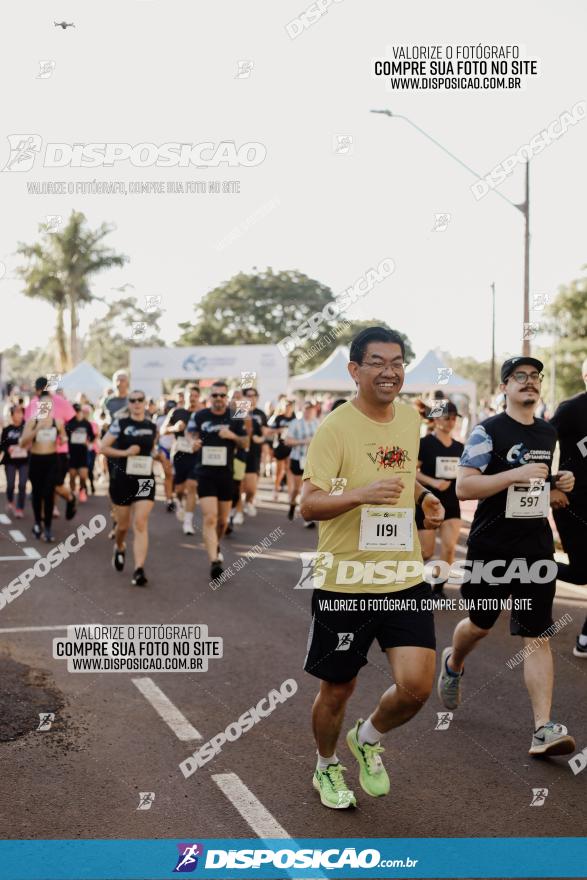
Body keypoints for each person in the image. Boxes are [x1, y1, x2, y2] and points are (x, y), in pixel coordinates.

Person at [300, 326, 444, 809]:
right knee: (338, 687)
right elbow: (309, 505)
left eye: (398, 362)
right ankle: (326, 766)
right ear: (354, 370)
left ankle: (368, 738)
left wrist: (424, 499)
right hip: (346, 582)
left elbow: (401, 480)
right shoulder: (335, 428)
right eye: (378, 362)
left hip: (402, 576)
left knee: (417, 686)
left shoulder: (408, 419)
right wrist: (360, 495)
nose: (391, 371)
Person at [438, 356, 577, 757]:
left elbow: (535, 487)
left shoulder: (548, 432)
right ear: (504, 387)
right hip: (491, 546)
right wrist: (515, 475)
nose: (529, 383)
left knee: (537, 635)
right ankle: (454, 662)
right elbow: (465, 488)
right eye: (520, 377)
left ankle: (542, 729)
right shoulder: (488, 431)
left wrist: (556, 483)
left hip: (535, 545)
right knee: (481, 624)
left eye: (535, 377)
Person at [188, 381, 248, 580]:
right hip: (204, 473)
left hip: (226, 474)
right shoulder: (199, 415)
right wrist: (192, 443)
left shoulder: (235, 416)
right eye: (215, 395)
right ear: (210, 397)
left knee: (222, 522)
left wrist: (232, 435)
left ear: (226, 397)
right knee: (210, 517)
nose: (219, 399)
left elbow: (245, 442)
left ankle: (216, 542)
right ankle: (214, 561)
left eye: (222, 395)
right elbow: (189, 436)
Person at [100, 390, 158, 587]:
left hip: (145, 480)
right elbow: (103, 447)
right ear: (129, 404)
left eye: (140, 400)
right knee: (123, 526)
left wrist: (158, 456)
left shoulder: (151, 426)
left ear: (145, 402)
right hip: (123, 480)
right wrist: (125, 452)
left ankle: (139, 569)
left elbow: (152, 449)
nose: (136, 403)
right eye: (132, 400)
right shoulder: (120, 424)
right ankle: (119, 546)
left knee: (140, 523)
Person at [549, 357, 587, 658]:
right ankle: (530, 567)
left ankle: (586, 635)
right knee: (581, 572)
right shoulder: (571, 409)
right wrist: (550, 485)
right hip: (572, 503)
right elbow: (540, 441)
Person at [416, 401, 464, 600]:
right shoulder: (424, 443)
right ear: (435, 419)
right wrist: (433, 482)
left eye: (454, 418)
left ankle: (437, 588)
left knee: (449, 549)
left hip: (452, 504)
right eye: (447, 417)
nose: (451, 421)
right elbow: (411, 472)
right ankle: (414, 585)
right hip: (427, 504)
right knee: (426, 552)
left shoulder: (460, 447)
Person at [20, 393, 76, 541]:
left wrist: (63, 439)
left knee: (49, 493)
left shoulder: (57, 422)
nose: (45, 408)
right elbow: (22, 442)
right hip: (36, 459)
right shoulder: (33, 421)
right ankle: (38, 523)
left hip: (52, 460)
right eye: (42, 405)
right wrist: (37, 428)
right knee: (37, 494)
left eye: (48, 406)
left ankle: (48, 528)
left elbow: (64, 438)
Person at [161, 385, 203, 534]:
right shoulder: (177, 412)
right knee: (179, 489)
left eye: (195, 395)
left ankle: (188, 522)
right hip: (180, 453)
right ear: (183, 397)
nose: (192, 398)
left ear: (199, 397)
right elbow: (162, 430)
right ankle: (178, 500)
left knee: (192, 486)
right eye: (189, 395)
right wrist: (174, 428)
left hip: (197, 455)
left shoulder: (202, 413)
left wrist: (200, 442)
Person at [285, 401, 320, 525]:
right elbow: (287, 441)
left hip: (313, 460)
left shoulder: (318, 423)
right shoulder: (295, 423)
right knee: (297, 488)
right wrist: (304, 441)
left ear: (314, 411)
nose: (309, 412)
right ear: (303, 410)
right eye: (307, 409)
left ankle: (307, 517)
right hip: (298, 458)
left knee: (310, 488)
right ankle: (292, 504)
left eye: (311, 409)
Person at [241, 387, 268, 517]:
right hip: (239, 452)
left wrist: (261, 438)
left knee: (251, 487)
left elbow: (265, 433)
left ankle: (248, 501)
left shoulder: (260, 414)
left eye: (253, 395)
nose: (251, 398)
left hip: (254, 453)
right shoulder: (238, 412)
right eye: (248, 395)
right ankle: (237, 511)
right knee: (238, 485)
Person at [1, 404, 29, 517]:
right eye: (16, 413)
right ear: (12, 415)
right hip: (10, 461)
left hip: (24, 460)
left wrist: (28, 447)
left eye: (21, 413)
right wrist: (8, 448)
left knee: (22, 485)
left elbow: (32, 441)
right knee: (11, 484)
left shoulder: (26, 429)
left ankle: (19, 508)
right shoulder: (7, 430)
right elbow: (2, 445)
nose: (19, 415)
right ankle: (10, 500)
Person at [65, 404, 95, 502]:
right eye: (75, 411)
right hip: (72, 453)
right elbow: (64, 436)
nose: (77, 413)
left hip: (83, 453)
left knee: (83, 476)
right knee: (72, 475)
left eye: (78, 411)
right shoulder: (69, 423)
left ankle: (82, 490)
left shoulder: (86, 424)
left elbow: (92, 436)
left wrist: (89, 442)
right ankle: (73, 493)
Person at [267, 399, 296, 501]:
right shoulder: (278, 418)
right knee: (280, 471)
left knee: (289, 470)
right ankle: (276, 489)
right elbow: (269, 431)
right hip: (279, 446)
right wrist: (279, 430)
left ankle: (290, 494)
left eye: (290, 405)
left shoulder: (294, 418)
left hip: (290, 447)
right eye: (286, 405)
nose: (288, 407)